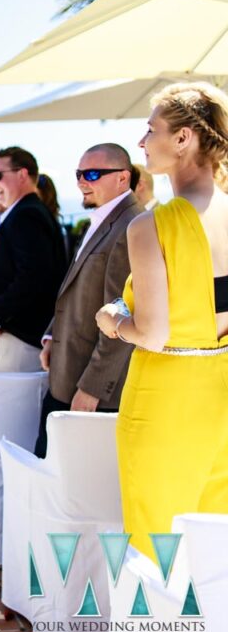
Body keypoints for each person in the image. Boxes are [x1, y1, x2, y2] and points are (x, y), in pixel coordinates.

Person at [96, 82, 228, 564]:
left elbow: (152, 333)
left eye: (150, 130)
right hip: (221, 396)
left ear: (183, 139)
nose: (142, 143)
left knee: (157, 544)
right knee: (215, 542)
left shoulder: (151, 225)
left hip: (166, 397)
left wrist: (113, 319)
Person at [34, 144, 141, 458]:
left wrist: (94, 386)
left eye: (92, 173)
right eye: (79, 173)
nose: (82, 180)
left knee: (67, 478)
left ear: (123, 178)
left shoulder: (132, 226)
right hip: (67, 369)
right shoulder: (103, 218)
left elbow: (124, 311)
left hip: (90, 385)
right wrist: (53, 335)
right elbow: (76, 287)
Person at [0, 147, 67, 374]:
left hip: (18, 339)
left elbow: (34, 274)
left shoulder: (28, 214)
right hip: (16, 337)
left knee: (3, 408)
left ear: (22, 175)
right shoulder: (27, 212)